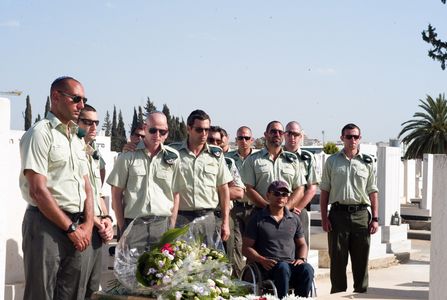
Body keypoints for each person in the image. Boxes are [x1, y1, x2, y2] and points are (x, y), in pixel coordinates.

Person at [19, 76, 93, 300]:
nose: (81, 105)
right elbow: (38, 191)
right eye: (76, 99)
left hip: (78, 227)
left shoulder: (75, 138)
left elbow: (86, 185)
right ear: (56, 97)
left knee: (71, 295)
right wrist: (71, 229)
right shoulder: (40, 133)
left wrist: (88, 225)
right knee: (41, 294)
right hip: (46, 225)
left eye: (84, 100)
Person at [320, 123, 379, 294]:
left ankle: (361, 294)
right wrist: (324, 218)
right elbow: (325, 191)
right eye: (348, 136)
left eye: (355, 136)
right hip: (338, 215)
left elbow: (373, 191)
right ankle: (338, 294)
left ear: (360, 138)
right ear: (342, 138)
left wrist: (375, 218)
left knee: (361, 261)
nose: (352, 140)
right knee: (338, 261)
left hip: (361, 215)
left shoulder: (367, 162)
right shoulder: (332, 161)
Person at [107, 111, 180, 245]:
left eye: (162, 132)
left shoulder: (173, 157)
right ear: (145, 128)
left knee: (161, 265)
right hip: (134, 224)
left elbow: (176, 194)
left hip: (162, 225)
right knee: (132, 266)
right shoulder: (128, 156)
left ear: (167, 132)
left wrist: (172, 226)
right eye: (153, 130)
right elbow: (116, 194)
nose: (157, 135)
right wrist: (122, 228)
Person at [243, 180, 314, 298]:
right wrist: (261, 259)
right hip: (266, 266)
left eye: (284, 194)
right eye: (276, 193)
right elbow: (246, 248)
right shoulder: (257, 219)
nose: (280, 197)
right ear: (268, 195)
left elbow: (302, 244)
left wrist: (302, 258)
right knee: (282, 267)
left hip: (289, 264)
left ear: (287, 198)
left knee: (307, 269)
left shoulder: (294, 219)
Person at [171, 109, 233, 243]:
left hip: (208, 217)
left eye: (207, 129)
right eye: (199, 130)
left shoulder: (216, 155)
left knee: (209, 261)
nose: (204, 134)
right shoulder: (173, 153)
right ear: (189, 128)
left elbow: (224, 189)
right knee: (182, 261)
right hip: (181, 218)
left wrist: (225, 222)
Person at [77, 104, 114, 298]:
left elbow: (97, 193)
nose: (93, 127)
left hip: (97, 229)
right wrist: (97, 220)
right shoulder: (74, 151)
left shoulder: (92, 155)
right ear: (76, 122)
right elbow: (79, 194)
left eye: (96, 123)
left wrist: (107, 218)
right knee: (77, 287)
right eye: (87, 122)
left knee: (92, 288)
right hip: (82, 225)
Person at [240, 121, 306, 213]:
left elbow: (300, 188)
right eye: (273, 131)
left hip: (287, 214)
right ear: (266, 135)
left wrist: (285, 209)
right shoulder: (252, 160)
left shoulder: (293, 160)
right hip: (261, 213)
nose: (277, 134)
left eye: (280, 132)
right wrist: (268, 208)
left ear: (283, 135)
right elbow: (248, 189)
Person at [208, 125, 245, 276]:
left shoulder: (228, 163)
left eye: (218, 141)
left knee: (228, 259)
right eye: (211, 140)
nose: (214, 144)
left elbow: (238, 192)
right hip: (201, 216)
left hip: (223, 216)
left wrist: (211, 190)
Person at [284, 121, 320, 247]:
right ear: (284, 135)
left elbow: (311, 188)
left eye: (296, 134)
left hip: (299, 210)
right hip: (278, 209)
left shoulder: (308, 158)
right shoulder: (277, 155)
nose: (292, 137)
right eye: (289, 133)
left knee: (301, 247)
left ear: (301, 136)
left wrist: (297, 209)